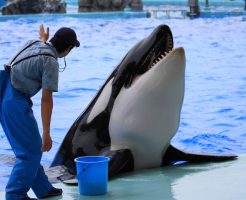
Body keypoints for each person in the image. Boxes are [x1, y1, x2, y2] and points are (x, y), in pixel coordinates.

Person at [0, 24, 80, 200]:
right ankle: (15, 195)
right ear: (68, 48)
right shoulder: (50, 62)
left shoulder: (34, 43)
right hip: (13, 99)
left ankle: (43, 188)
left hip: (3, 88)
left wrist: (43, 37)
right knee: (30, 152)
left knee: (31, 147)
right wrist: (46, 133)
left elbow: (41, 45)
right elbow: (46, 99)